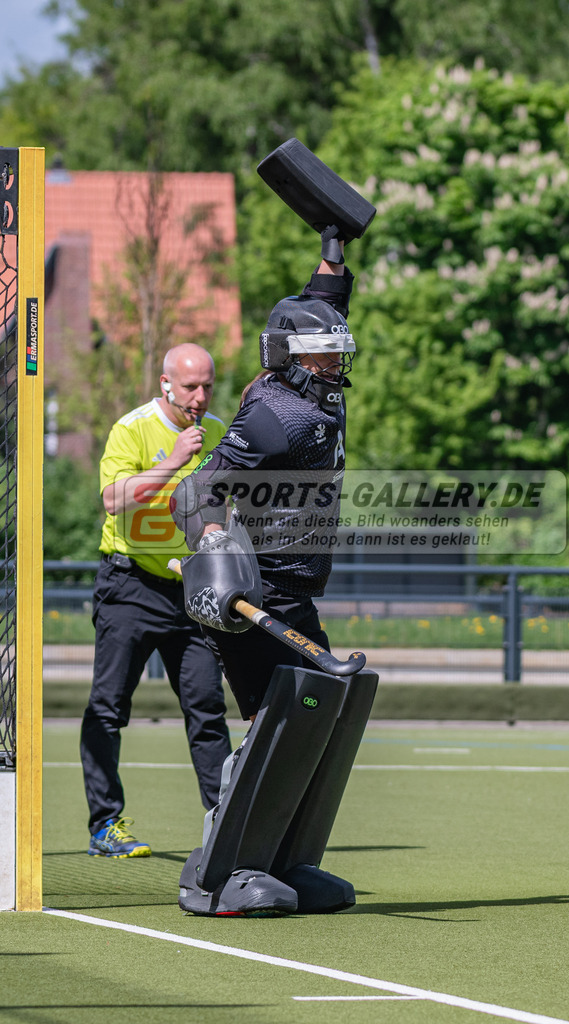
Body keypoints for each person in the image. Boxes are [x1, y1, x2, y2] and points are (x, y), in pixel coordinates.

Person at [170, 231, 377, 915]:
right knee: (274, 728)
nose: (334, 359)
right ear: (289, 357)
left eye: (337, 349)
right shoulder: (273, 415)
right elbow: (195, 492)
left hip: (297, 595)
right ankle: (216, 874)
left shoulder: (320, 394)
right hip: (257, 596)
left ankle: (285, 863)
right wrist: (211, 544)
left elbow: (321, 309)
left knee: (317, 721)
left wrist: (333, 254)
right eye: (322, 352)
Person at [81, 343, 232, 858]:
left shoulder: (218, 432)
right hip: (129, 587)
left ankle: (225, 825)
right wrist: (173, 461)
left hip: (189, 591)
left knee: (207, 707)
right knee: (107, 708)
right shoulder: (133, 428)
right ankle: (105, 826)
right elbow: (113, 499)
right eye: (190, 386)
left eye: (208, 386)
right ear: (166, 383)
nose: (200, 397)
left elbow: (222, 508)